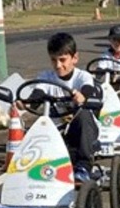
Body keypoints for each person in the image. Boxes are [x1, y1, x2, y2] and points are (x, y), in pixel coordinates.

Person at [28, 32, 99, 184]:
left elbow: (87, 89)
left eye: (62, 60)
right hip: (57, 131)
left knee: (84, 114)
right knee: (36, 126)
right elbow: (37, 94)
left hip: (80, 131)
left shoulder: (82, 77)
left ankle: (84, 166)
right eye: (54, 60)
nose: (58, 65)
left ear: (75, 58)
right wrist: (26, 103)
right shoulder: (46, 77)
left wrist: (82, 96)